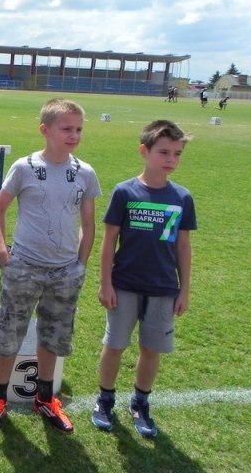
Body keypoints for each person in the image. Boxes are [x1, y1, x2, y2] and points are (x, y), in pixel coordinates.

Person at [0, 98, 101, 435]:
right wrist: (3, 252)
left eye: (78, 129)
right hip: (24, 267)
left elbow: (88, 224)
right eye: (66, 129)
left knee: (53, 336)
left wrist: (80, 263)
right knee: (9, 334)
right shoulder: (25, 167)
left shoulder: (85, 172)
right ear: (45, 130)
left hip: (65, 272)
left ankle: (45, 399)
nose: (74, 135)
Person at [91, 120, 196, 438]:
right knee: (114, 345)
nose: (171, 159)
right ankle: (105, 399)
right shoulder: (125, 191)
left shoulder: (182, 197)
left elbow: (183, 246)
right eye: (164, 152)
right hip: (124, 285)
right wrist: (105, 283)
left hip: (163, 288)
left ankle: (140, 402)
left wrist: (184, 290)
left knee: (151, 350)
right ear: (144, 151)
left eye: (177, 154)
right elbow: (109, 240)